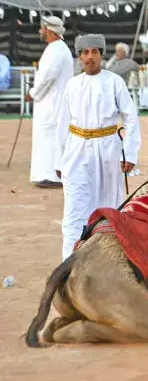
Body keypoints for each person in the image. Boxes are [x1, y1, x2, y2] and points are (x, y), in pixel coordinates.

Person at [54, 34, 140, 259]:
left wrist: (129, 153)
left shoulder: (114, 82)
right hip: (76, 151)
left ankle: (109, 259)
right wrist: (58, 159)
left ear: (101, 54)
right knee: (75, 209)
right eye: (85, 52)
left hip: (107, 152)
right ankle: (69, 263)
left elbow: (130, 118)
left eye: (94, 52)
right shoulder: (72, 85)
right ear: (80, 57)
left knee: (109, 205)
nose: (90, 57)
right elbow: (62, 123)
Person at [27, 16, 73, 189]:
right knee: (52, 137)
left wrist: (33, 93)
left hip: (52, 103)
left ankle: (52, 175)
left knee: (51, 137)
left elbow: (47, 77)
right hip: (53, 102)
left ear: (50, 30)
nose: (41, 32)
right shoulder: (58, 48)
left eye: (44, 29)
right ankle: (50, 174)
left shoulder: (56, 50)